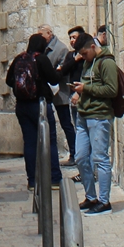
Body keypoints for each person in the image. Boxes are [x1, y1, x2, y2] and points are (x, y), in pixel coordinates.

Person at [71, 33, 123, 214]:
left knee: (100, 158)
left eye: (85, 53)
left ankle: (104, 201)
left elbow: (111, 89)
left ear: (93, 47)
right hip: (83, 115)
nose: (83, 57)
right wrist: (78, 92)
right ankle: (91, 196)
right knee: (80, 157)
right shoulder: (88, 62)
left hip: (99, 115)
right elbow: (87, 82)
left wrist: (86, 88)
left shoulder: (107, 63)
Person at [6, 32, 62, 189]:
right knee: (49, 141)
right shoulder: (41, 59)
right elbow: (54, 79)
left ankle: (32, 181)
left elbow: (9, 80)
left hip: (22, 106)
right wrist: (59, 70)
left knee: (29, 142)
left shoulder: (19, 59)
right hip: (40, 104)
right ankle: (54, 178)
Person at [39, 25, 77, 164]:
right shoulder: (42, 48)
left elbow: (63, 69)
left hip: (60, 91)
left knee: (66, 123)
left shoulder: (61, 49)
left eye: (42, 35)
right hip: (47, 91)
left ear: (49, 34)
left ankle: (74, 153)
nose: (40, 38)